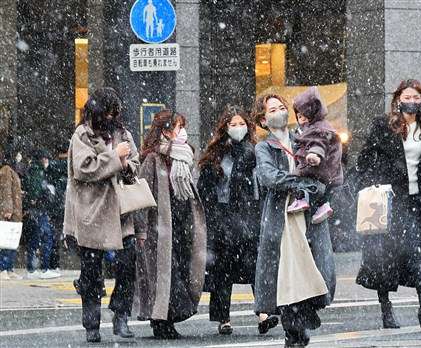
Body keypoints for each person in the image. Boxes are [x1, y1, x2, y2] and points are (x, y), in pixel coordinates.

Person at [355, 79, 421, 329]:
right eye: (408, 96)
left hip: (417, 201)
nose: (412, 101)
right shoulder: (383, 126)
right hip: (389, 201)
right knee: (383, 257)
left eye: (417, 97)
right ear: (398, 100)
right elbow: (365, 160)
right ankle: (386, 309)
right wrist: (374, 183)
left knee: (418, 250)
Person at [252, 94, 336, 347]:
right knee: (286, 272)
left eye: (281, 107)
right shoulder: (264, 147)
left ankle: (302, 320)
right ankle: (292, 327)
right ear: (263, 119)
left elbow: (326, 167)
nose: (279, 112)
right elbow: (269, 177)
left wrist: (315, 185)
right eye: (272, 109)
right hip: (282, 214)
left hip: (308, 212)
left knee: (311, 269)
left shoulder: (305, 137)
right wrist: (302, 183)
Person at [63, 87, 141, 343]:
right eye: (107, 113)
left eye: (114, 113)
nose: (111, 117)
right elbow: (84, 169)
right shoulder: (82, 135)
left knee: (128, 263)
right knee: (91, 271)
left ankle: (121, 315)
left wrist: (127, 164)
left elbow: (135, 165)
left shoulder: (123, 133)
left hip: (121, 211)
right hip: (92, 211)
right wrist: (115, 157)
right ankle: (91, 324)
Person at [198, 105, 278, 335]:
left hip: (249, 218)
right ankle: (223, 318)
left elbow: (262, 185)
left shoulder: (255, 152)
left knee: (255, 266)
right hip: (223, 220)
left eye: (241, 124)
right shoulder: (215, 156)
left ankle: (264, 313)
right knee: (223, 271)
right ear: (224, 128)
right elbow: (206, 190)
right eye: (233, 125)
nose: (238, 128)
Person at [134, 110, 206, 339]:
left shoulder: (183, 157)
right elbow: (142, 197)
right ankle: (161, 322)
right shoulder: (152, 159)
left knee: (179, 272)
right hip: (159, 228)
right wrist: (142, 229)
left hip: (181, 225)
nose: (182, 131)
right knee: (163, 276)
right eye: (178, 127)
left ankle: (168, 319)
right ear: (165, 131)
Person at [287, 87, 343, 224]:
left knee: (299, 177)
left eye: (304, 116)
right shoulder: (322, 126)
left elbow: (318, 143)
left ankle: (302, 199)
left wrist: (314, 155)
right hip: (331, 172)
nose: (302, 120)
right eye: (299, 117)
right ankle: (323, 205)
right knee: (323, 191)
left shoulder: (318, 128)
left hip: (319, 167)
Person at [23, 149, 61, 279]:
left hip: (37, 210)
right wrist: (45, 195)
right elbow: (36, 190)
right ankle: (43, 269)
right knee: (45, 237)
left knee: (36, 238)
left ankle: (32, 269)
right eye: (45, 158)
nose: (47, 161)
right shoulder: (37, 171)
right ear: (41, 159)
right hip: (39, 210)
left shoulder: (35, 170)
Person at [0, 149, 23, 280]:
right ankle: (3, 268)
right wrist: (7, 209)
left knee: (12, 240)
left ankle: (9, 268)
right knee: (5, 241)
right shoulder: (6, 170)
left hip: (15, 213)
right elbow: (6, 191)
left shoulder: (11, 171)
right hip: (9, 213)